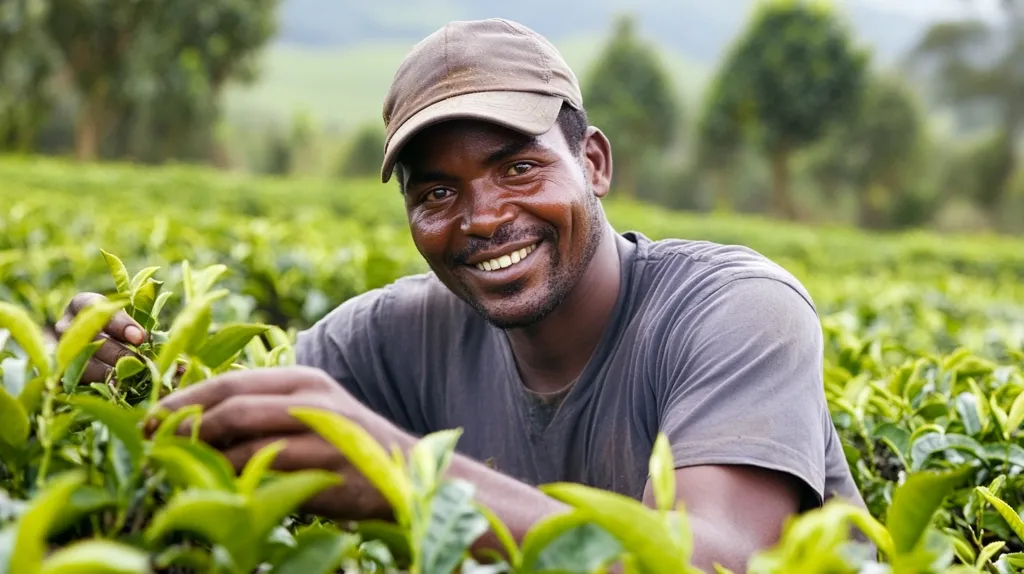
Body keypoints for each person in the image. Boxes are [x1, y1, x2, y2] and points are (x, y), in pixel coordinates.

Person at [57, 18, 868, 573]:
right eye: (437, 193)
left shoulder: (735, 311)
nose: (483, 218)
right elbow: (230, 419)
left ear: (592, 162)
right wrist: (120, 371)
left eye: (519, 167)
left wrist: (413, 478)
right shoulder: (394, 336)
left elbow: (705, 560)